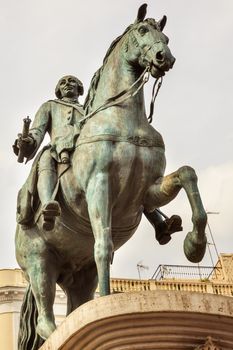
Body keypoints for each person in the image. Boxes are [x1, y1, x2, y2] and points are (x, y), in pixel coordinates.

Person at [13, 75, 84, 230]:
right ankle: (47, 205)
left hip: (84, 148)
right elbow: (37, 131)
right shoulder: (50, 106)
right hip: (57, 150)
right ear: (58, 90)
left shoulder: (89, 110)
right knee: (46, 157)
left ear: (79, 88)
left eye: (72, 81)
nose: (67, 84)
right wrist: (28, 142)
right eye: (62, 83)